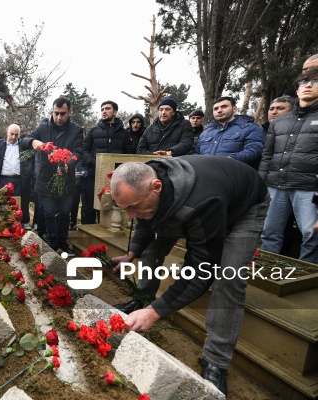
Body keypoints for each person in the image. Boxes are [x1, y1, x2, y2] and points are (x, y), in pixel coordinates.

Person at [110, 156, 270, 395]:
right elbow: (145, 223)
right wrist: (132, 253)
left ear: (156, 188)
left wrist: (156, 313)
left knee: (228, 277)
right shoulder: (146, 182)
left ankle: (216, 360)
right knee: (151, 248)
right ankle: (142, 301)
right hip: (206, 197)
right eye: (126, 209)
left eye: (133, 207)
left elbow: (200, 271)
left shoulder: (201, 203)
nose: (130, 215)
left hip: (244, 206)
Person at [259, 69, 318, 264]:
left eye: (315, 82)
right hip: (276, 185)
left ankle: (305, 280)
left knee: (311, 234)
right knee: (269, 231)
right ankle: (267, 270)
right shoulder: (280, 122)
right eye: (303, 83)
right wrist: (261, 185)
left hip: (309, 188)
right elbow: (267, 155)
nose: (307, 86)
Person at [22, 97, 83, 256]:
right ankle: (54, 243)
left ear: (70, 112)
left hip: (67, 180)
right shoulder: (43, 127)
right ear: (52, 111)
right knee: (49, 212)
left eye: (63, 113)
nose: (59, 117)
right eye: (56, 113)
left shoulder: (76, 131)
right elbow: (25, 139)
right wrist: (33, 142)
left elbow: (77, 153)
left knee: (64, 213)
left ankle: (63, 241)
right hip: (45, 180)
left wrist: (67, 165)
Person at [81, 101, 135, 224]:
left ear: (115, 112)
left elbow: (128, 153)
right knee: (88, 208)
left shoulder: (124, 133)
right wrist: (93, 163)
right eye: (102, 109)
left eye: (107, 109)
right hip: (93, 176)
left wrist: (119, 170)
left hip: (115, 178)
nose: (104, 111)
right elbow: (84, 150)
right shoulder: (93, 131)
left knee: (109, 209)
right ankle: (87, 238)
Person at [194, 96, 264, 169]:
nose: (219, 110)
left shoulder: (249, 128)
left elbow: (254, 150)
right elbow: (196, 152)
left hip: (233, 174)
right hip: (204, 173)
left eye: (224, 107)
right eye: (216, 109)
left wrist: (229, 160)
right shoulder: (206, 132)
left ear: (234, 109)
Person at [0, 124, 33, 229]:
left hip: (19, 179)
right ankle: (3, 224)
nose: (13, 137)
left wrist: (28, 172)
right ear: (7, 132)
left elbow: (31, 161)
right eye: (11, 134)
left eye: (16, 135)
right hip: (3, 179)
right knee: (3, 202)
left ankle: (20, 223)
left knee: (19, 202)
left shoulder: (24, 146)